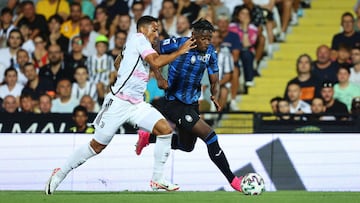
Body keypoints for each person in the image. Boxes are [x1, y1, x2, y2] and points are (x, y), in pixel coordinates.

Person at [45, 15, 195, 195]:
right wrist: (180, 52)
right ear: (142, 29)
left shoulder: (138, 44)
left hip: (137, 104)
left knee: (165, 130)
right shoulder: (139, 39)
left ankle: (157, 179)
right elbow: (155, 61)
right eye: (154, 29)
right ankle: (59, 174)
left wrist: (156, 76)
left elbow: (119, 62)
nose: (157, 34)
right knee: (97, 146)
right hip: (118, 103)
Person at [135, 19, 243, 192]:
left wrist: (214, 94)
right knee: (210, 136)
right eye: (203, 38)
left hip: (192, 104)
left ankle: (148, 138)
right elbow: (153, 50)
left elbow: (214, 78)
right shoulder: (178, 44)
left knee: (187, 146)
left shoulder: (210, 53)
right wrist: (158, 75)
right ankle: (233, 179)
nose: (207, 42)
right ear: (193, 36)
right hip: (174, 103)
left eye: (210, 38)